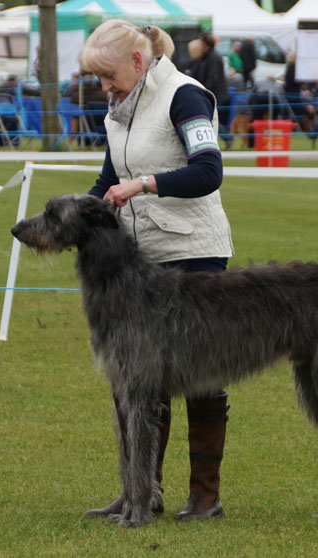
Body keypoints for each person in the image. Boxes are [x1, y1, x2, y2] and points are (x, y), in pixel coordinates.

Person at [78, 20, 234, 522]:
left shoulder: (185, 96)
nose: (103, 87)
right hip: (142, 264)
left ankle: (205, 496)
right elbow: (108, 179)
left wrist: (144, 184)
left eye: (108, 76)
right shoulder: (119, 109)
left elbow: (209, 170)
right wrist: (70, 215)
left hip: (195, 255)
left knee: (203, 377)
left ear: (137, 62)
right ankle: (143, 491)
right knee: (141, 380)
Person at [190, 33, 233, 149]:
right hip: (212, 93)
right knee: (209, 118)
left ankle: (227, 137)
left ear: (206, 44)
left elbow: (213, 78)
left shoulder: (213, 57)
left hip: (216, 94)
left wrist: (203, 91)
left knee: (210, 118)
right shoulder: (207, 57)